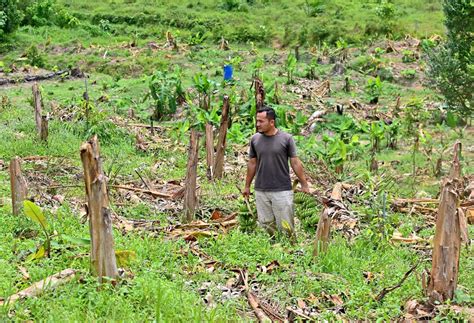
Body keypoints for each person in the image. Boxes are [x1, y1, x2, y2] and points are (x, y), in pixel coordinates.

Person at [243, 106, 309, 237]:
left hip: (282, 190)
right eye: (257, 121)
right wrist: (246, 186)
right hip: (261, 190)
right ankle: (272, 252)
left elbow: (295, 162)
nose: (257, 124)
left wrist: (304, 184)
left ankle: (289, 250)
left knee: (286, 227)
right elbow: (252, 163)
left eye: (261, 121)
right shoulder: (255, 139)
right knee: (266, 225)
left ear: (271, 122)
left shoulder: (286, 139)